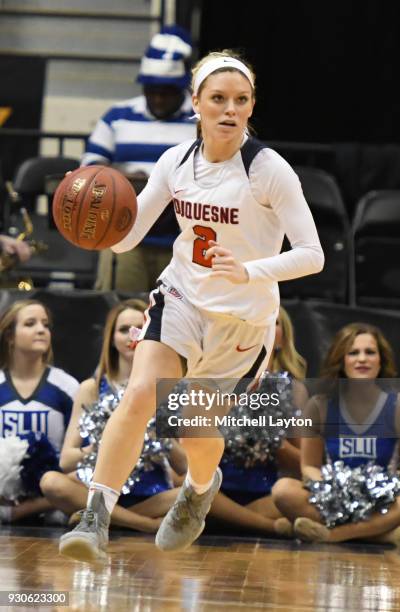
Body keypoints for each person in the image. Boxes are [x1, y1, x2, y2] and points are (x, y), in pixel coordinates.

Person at [59, 49, 324, 562]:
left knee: (194, 432)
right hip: (181, 296)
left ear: (251, 106)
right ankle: (95, 517)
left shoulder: (269, 170)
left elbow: (312, 256)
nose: (230, 109)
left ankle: (201, 488)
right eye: (218, 99)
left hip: (242, 321)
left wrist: (249, 270)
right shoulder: (175, 161)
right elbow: (126, 239)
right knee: (139, 394)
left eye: (241, 100)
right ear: (196, 104)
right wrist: (95, 222)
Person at [41, 299, 186, 532]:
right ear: (111, 338)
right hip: (95, 488)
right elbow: (66, 460)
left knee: (199, 490)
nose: (132, 335)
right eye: (122, 329)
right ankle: (144, 525)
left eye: (141, 327)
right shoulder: (91, 388)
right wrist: (109, 441)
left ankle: (100, 518)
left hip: (151, 494)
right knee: (51, 482)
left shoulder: (168, 388)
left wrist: (158, 436)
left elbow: (186, 466)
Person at [82, 25, 196, 292]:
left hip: (185, 241)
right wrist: (131, 183)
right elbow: (88, 171)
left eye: (166, 91)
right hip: (124, 237)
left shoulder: (201, 121)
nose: (157, 97)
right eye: (151, 89)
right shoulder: (117, 116)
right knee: (121, 309)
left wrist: (157, 187)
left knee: (179, 324)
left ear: (182, 86)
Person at [272, 322, 400, 546]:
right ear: (341, 360)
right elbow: (310, 467)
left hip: (382, 501)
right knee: (283, 491)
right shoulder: (319, 406)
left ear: (380, 360)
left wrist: (389, 490)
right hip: (335, 499)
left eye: (370, 352)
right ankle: (384, 535)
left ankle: (334, 535)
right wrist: (332, 491)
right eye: (353, 353)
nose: (362, 359)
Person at [208, 306, 308, 534]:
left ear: (283, 338)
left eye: (273, 322)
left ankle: (230, 521)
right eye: (254, 321)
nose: (264, 327)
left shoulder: (295, 390)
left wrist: (273, 441)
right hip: (218, 489)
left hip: (267, 494)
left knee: (298, 495)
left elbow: (303, 464)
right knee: (191, 488)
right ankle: (271, 527)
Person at [0, 300, 79, 523]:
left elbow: (80, 455)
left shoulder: (67, 386)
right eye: (30, 323)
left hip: (53, 494)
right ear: (10, 336)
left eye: (45, 324)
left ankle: (18, 513)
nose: (41, 330)